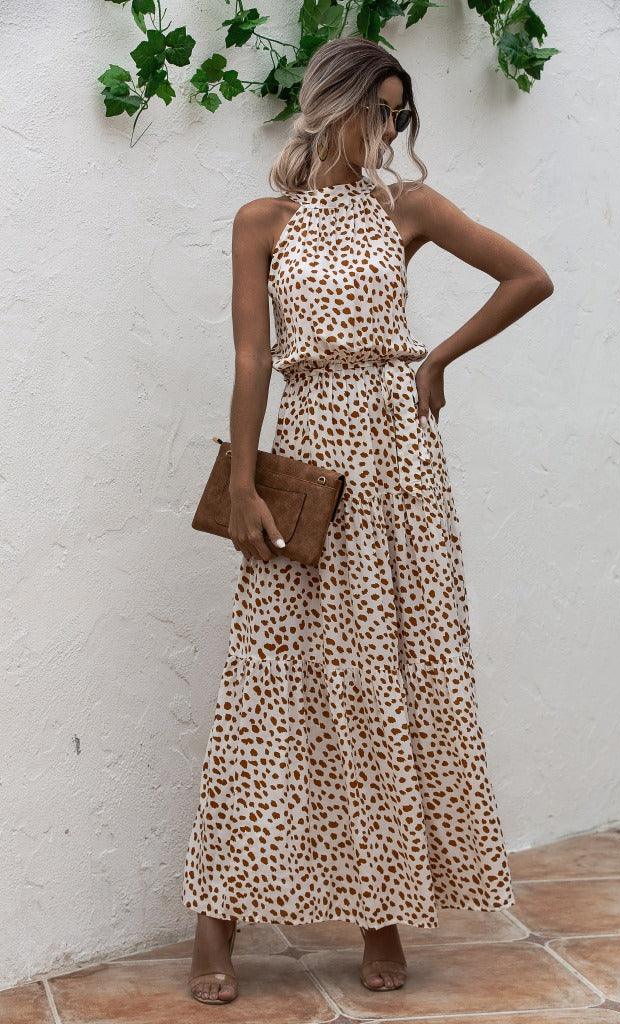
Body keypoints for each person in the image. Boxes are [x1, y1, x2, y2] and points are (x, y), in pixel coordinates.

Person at [182, 35, 553, 1006]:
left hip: (397, 463)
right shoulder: (262, 220)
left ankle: (380, 916)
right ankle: (212, 928)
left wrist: (435, 361)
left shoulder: (410, 208)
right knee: (269, 684)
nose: (387, 129)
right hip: (309, 456)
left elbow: (526, 278)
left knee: (386, 674)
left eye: (399, 114)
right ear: (331, 105)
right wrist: (250, 482)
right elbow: (253, 360)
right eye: (376, 109)